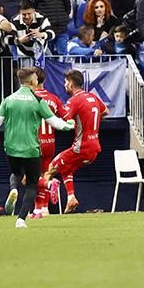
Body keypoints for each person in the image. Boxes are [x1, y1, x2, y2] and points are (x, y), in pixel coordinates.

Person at [0, 67, 75, 228]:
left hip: (11, 148)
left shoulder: (8, 99)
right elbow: (55, 122)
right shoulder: (38, 101)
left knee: (16, 173)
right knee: (32, 184)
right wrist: (69, 126)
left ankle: (13, 189)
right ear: (33, 80)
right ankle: (23, 218)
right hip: (33, 147)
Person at [44, 70, 107, 214]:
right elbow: (106, 111)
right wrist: (91, 122)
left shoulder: (74, 100)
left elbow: (65, 117)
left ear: (71, 84)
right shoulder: (92, 97)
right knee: (67, 168)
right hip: (94, 148)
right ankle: (71, 197)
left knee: (49, 170)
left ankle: (42, 208)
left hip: (81, 147)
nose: (64, 85)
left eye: (66, 82)